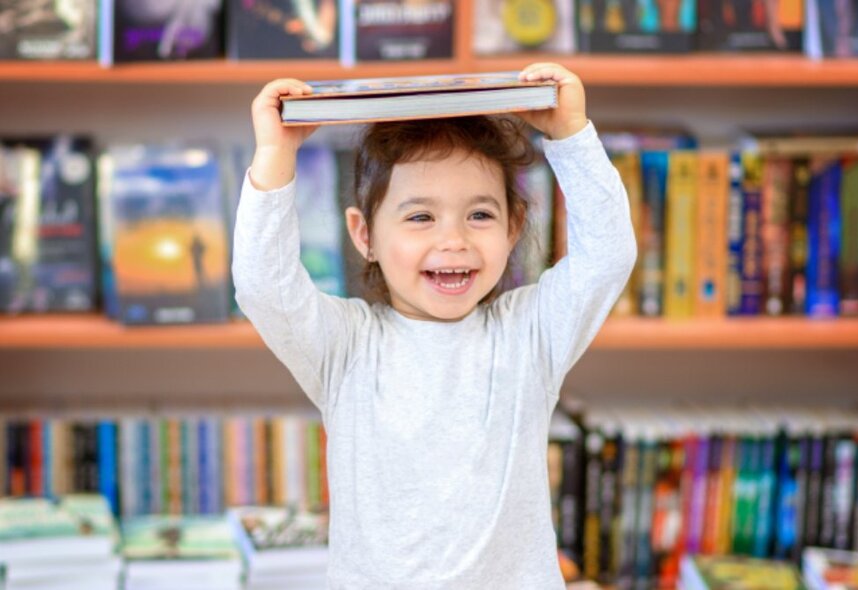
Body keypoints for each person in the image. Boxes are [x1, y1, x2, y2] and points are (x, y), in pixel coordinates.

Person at [233, 62, 637, 589]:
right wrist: (275, 155)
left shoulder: (528, 336)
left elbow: (607, 258)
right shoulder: (346, 347)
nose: (454, 240)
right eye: (421, 217)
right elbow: (265, 287)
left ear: (514, 228)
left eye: (480, 216)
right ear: (364, 235)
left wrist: (569, 134)